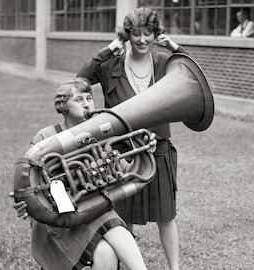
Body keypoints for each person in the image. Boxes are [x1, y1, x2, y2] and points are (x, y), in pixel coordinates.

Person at [77, 7, 186, 270]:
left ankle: (175, 268)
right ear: (128, 35)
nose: (142, 40)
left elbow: (190, 74)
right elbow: (81, 78)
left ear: (156, 34)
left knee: (166, 216)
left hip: (158, 150)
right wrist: (109, 48)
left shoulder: (163, 62)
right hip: (121, 154)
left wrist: (175, 46)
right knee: (124, 216)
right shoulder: (112, 63)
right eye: (136, 34)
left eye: (148, 33)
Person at [11, 78, 149, 270]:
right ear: (63, 106)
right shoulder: (45, 137)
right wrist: (25, 202)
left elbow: (124, 171)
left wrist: (142, 154)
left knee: (105, 251)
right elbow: (27, 178)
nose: (87, 103)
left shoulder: (101, 133)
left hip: (91, 207)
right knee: (105, 219)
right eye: (78, 99)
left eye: (89, 97)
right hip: (57, 218)